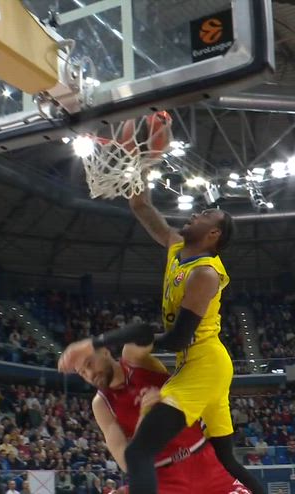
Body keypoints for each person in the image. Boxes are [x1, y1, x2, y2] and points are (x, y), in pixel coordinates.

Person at [59, 150, 263, 494]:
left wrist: (95, 342)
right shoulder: (176, 246)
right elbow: (141, 206)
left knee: (140, 451)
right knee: (228, 458)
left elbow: (178, 338)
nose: (196, 213)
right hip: (195, 364)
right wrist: (142, 158)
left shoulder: (204, 274)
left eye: (205, 215)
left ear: (213, 234)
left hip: (204, 362)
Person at [77, 342, 251, 494]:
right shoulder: (101, 403)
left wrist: (104, 339)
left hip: (204, 460)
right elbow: (127, 464)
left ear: (105, 351)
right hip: (164, 478)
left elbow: (145, 335)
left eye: (89, 364)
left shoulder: (134, 359)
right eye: (82, 372)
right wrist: (144, 417)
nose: (89, 374)